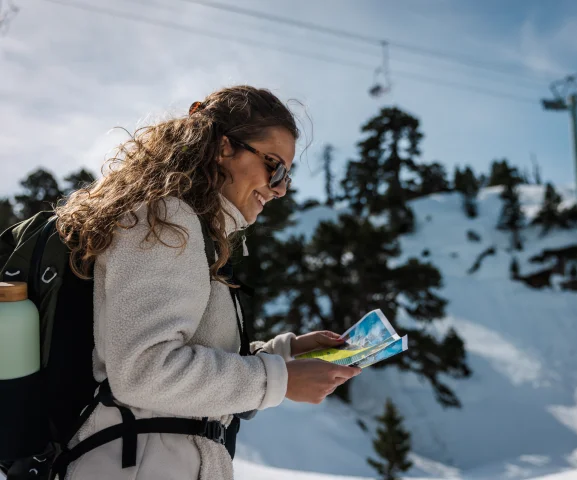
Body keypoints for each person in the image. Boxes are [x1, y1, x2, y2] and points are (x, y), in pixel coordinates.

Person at [54, 85, 361, 479]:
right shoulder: (166, 220)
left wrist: (284, 356)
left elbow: (182, 355)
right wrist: (279, 380)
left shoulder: (193, 231)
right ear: (224, 147)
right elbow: (145, 370)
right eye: (274, 165)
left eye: (287, 174)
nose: (281, 187)